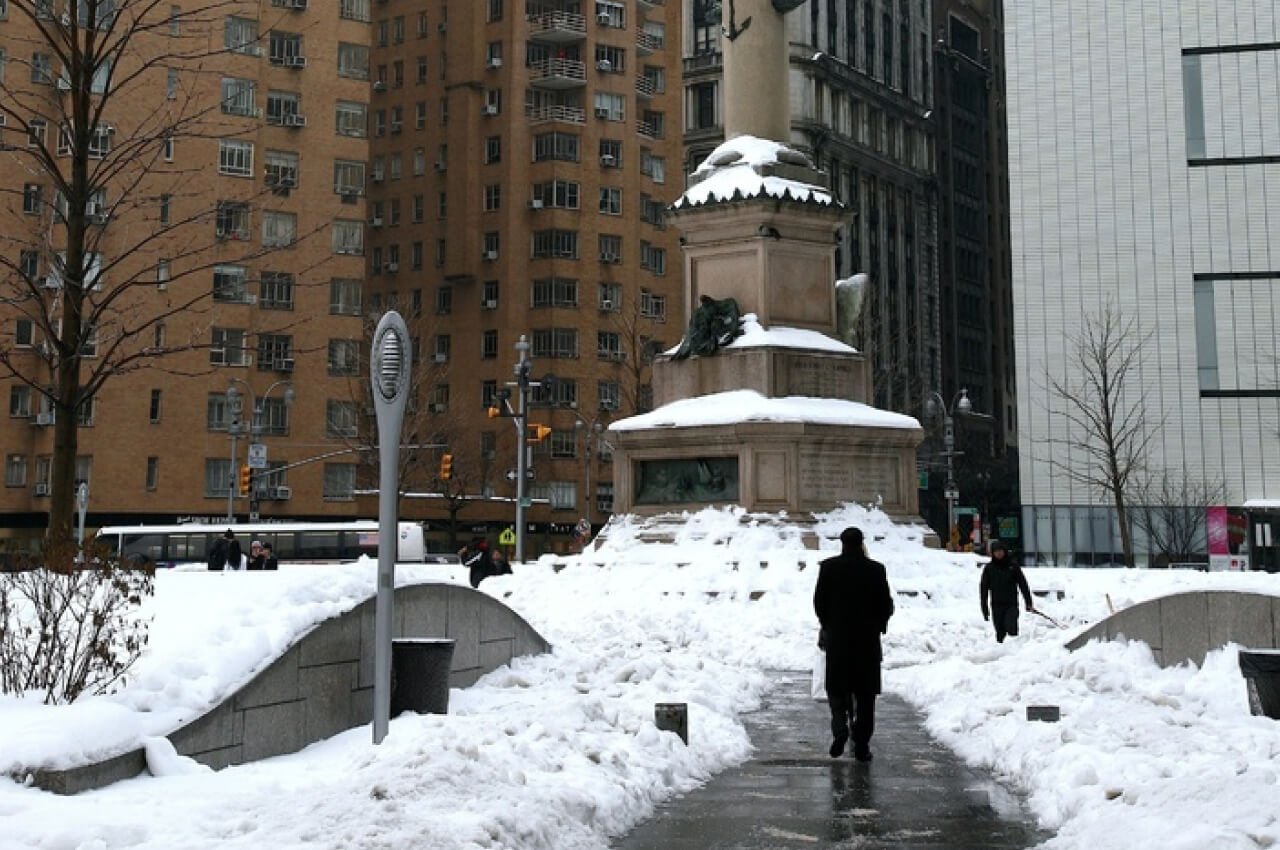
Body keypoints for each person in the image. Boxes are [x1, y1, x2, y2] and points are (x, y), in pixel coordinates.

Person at [813, 526, 894, 762]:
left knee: (836, 689)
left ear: (842, 543)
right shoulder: (876, 570)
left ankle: (840, 728)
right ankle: (862, 744)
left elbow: (819, 602)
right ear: (861, 543)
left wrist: (828, 625)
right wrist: (879, 625)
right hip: (867, 642)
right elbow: (885, 603)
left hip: (838, 641)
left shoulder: (828, 568)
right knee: (866, 695)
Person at [980, 540, 1035, 643]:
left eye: (1000, 550)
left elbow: (1023, 585)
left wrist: (1028, 602)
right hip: (996, 605)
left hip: (1011, 604)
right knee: (1000, 633)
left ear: (1004, 551)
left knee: (1011, 629)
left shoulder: (1013, 567)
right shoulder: (989, 569)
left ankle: (1014, 650)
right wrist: (984, 608)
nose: (999, 553)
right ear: (993, 553)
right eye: (996, 551)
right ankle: (1002, 652)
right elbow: (984, 590)